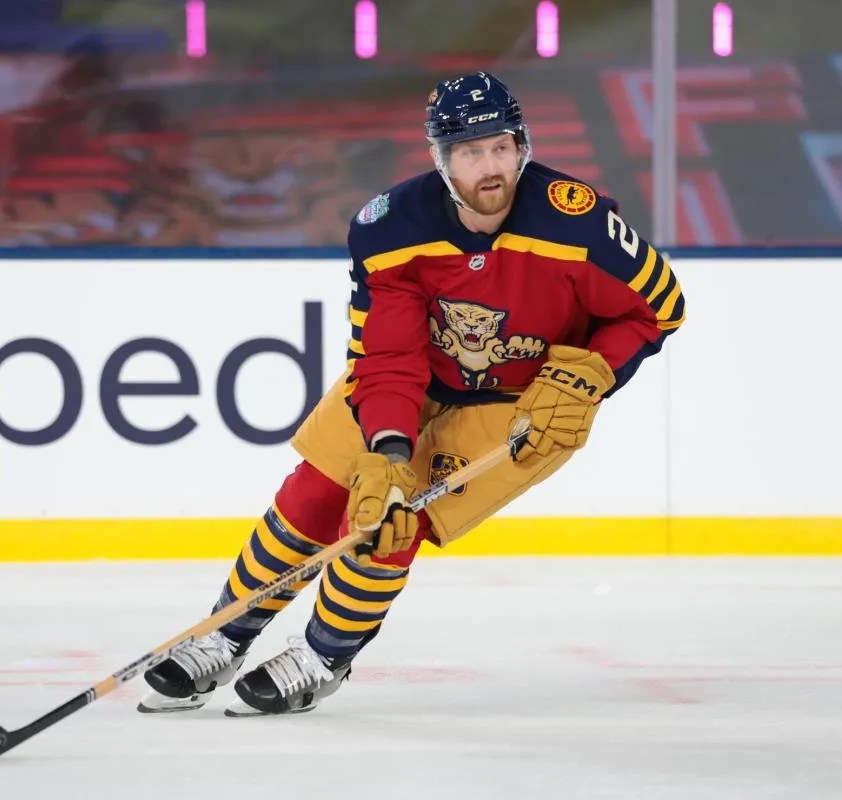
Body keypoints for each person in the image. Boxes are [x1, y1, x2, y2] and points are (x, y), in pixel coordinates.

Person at [137, 71, 686, 717]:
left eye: (501, 147)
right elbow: (390, 357)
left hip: (522, 405)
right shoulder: (389, 228)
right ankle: (224, 636)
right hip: (414, 383)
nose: (490, 166)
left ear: (522, 147)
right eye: (469, 151)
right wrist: (390, 450)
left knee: (385, 527)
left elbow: (657, 308)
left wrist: (592, 371)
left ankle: (322, 655)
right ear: (439, 158)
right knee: (317, 492)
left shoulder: (578, 221)